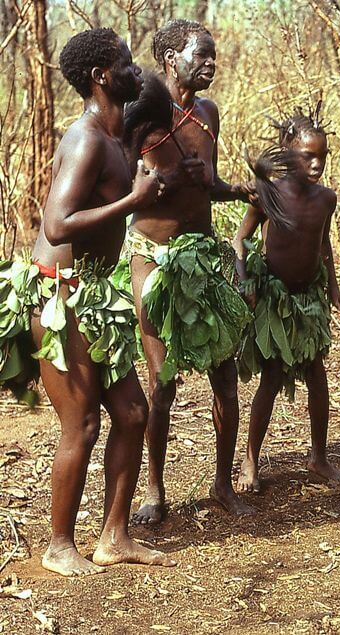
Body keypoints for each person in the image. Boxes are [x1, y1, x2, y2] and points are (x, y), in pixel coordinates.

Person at [0, 28, 175, 575]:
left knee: (131, 412)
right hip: (60, 293)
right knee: (81, 425)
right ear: (103, 76)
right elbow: (57, 223)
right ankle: (58, 544)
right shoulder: (85, 138)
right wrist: (133, 200)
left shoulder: (112, 133)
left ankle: (114, 537)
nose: (134, 66)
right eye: (125, 60)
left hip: (96, 292)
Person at [126, 19, 255, 525]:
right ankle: (155, 490)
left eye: (213, 54)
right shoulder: (142, 115)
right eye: (200, 54)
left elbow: (207, 184)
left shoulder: (208, 114)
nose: (210, 63)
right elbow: (126, 188)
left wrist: (236, 189)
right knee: (163, 383)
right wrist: (169, 178)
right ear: (170, 57)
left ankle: (222, 484)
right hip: (153, 258)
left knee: (225, 378)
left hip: (202, 256)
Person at [233, 109, 340, 490]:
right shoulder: (269, 194)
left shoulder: (325, 199)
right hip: (275, 297)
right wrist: (245, 279)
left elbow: (324, 242)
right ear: (287, 151)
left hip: (309, 296)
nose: (317, 165)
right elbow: (242, 239)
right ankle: (250, 461)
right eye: (308, 156)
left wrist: (333, 285)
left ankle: (319, 455)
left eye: (323, 157)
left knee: (317, 374)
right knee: (271, 376)